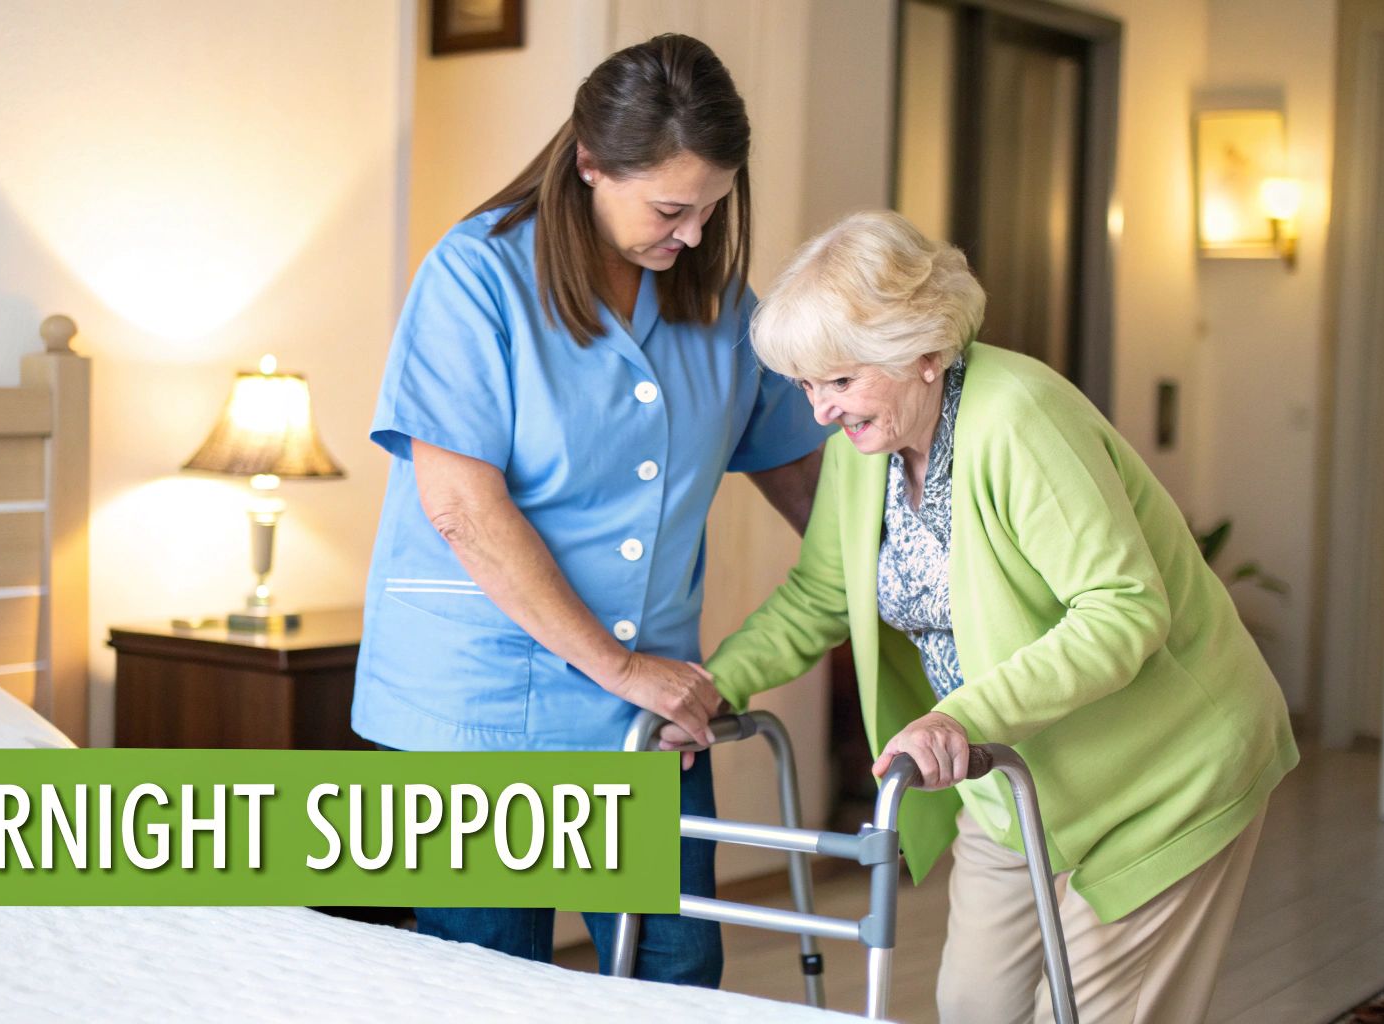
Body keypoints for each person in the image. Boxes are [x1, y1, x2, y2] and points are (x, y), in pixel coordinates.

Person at [663, 210, 1299, 1021]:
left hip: (1162, 777)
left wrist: (957, 718)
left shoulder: (1020, 418)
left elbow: (1122, 609)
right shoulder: (868, 449)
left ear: (923, 353)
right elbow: (821, 595)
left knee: (1093, 1012)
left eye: (841, 381)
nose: (820, 411)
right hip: (1016, 781)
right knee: (973, 1006)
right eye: (807, 385)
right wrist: (715, 687)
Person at [350, 34, 830, 986]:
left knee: (677, 973)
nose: (695, 234)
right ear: (590, 163)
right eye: (671, 209)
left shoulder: (719, 308)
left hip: (642, 717)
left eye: (713, 207)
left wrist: (924, 585)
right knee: (493, 985)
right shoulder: (475, 277)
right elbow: (462, 508)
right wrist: (622, 667)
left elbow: (812, 483)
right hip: (480, 710)